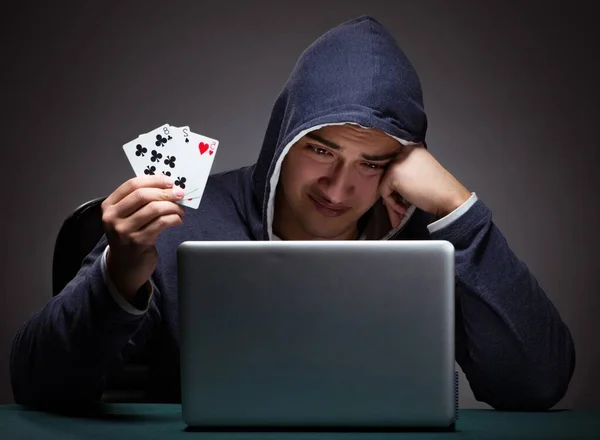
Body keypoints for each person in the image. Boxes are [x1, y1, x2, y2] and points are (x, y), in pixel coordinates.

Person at [10, 15, 575, 411]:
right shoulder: (180, 221)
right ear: (284, 138)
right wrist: (120, 274)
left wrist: (462, 211)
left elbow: (538, 385)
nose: (339, 185)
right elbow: (35, 382)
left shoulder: (430, 244)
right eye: (321, 149)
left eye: (371, 163)